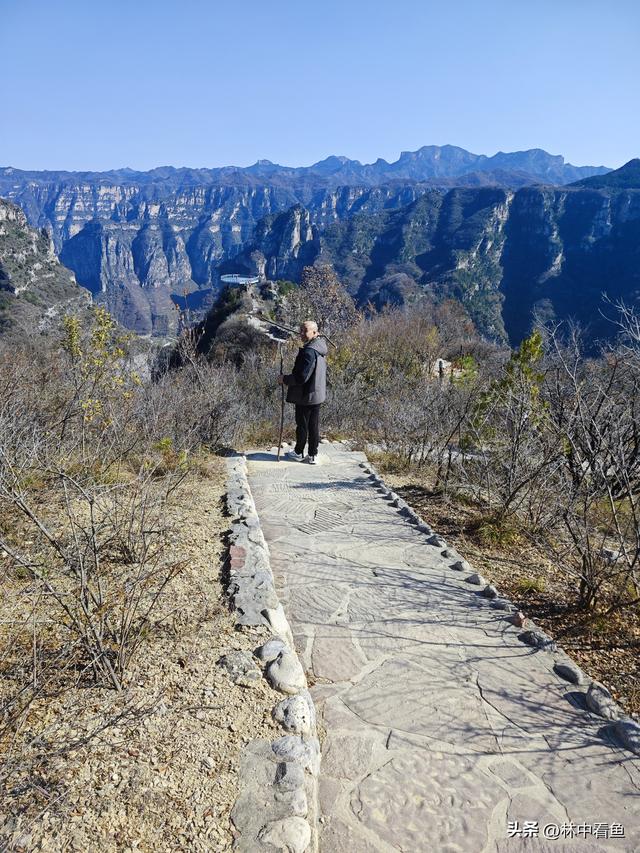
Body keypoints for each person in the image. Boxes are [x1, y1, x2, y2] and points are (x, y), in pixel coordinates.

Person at [277, 320, 327, 464]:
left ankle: (299, 452)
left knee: (303, 425)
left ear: (315, 333)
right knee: (313, 425)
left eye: (305, 331)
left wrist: (284, 379)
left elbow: (301, 377)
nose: (302, 334)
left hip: (306, 395)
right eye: (300, 331)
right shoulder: (320, 348)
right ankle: (313, 454)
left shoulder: (309, 352)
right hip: (316, 393)